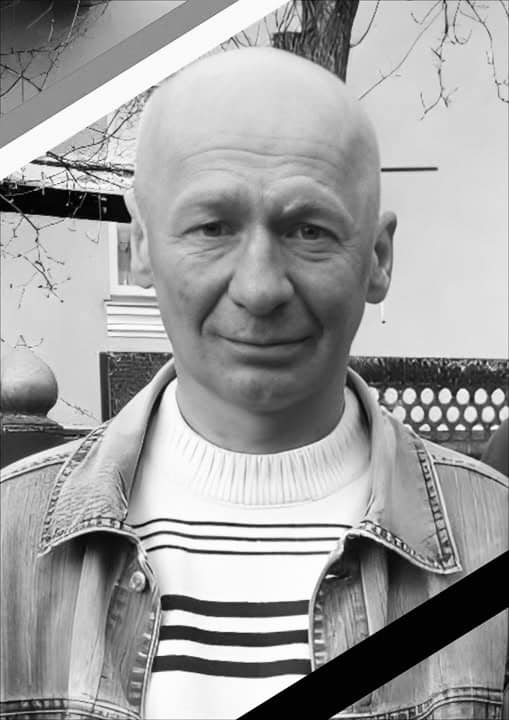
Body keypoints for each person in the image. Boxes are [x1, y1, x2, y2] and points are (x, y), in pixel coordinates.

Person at [1, 47, 507, 720]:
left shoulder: (493, 534)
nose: (260, 288)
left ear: (378, 258)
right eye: (213, 228)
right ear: (141, 246)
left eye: (308, 231)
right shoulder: (9, 544)